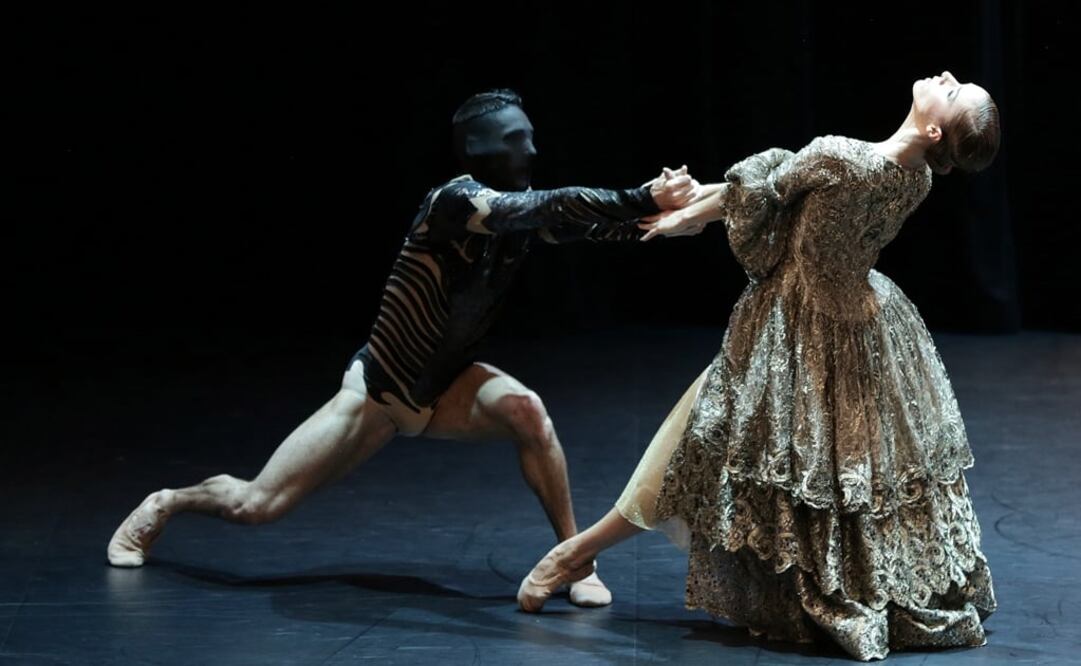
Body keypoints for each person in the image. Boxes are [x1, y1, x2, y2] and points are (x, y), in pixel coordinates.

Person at [107, 89, 698, 608]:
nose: (532, 150)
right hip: (380, 392)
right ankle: (167, 503)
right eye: (517, 140)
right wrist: (641, 195)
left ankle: (575, 560)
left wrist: (680, 212)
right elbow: (548, 206)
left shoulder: (517, 217)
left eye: (531, 138)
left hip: (447, 385)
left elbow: (595, 223)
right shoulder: (453, 203)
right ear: (480, 147)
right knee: (256, 505)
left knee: (528, 412)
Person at [517, 72, 1000, 659]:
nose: (947, 77)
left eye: (953, 91)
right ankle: (577, 553)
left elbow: (763, 192)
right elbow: (771, 188)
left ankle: (573, 553)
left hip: (794, 330)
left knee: (697, 443)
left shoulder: (842, 157)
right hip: (860, 327)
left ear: (934, 130)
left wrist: (683, 215)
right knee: (721, 448)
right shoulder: (917, 177)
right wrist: (690, 204)